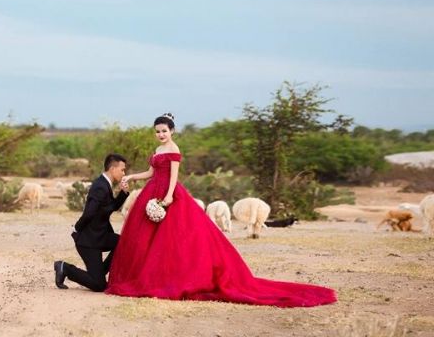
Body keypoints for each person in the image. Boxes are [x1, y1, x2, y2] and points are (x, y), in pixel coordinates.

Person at [105, 113, 337, 307]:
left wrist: (166, 199)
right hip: (152, 190)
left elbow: (173, 177)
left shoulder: (173, 149)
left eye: (164, 130)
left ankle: (170, 278)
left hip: (168, 194)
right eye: (157, 131)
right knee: (145, 238)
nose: (161, 134)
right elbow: (151, 172)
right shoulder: (157, 149)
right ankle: (146, 275)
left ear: (172, 131)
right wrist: (133, 177)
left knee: (174, 239)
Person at [54, 154, 130, 292]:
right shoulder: (100, 186)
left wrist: (123, 193)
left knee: (123, 243)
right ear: (113, 168)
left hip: (99, 236)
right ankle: (64, 268)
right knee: (99, 285)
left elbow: (109, 208)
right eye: (122, 169)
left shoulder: (105, 184)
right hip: (89, 241)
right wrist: (76, 228)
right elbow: (89, 212)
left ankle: (99, 272)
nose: (124, 173)